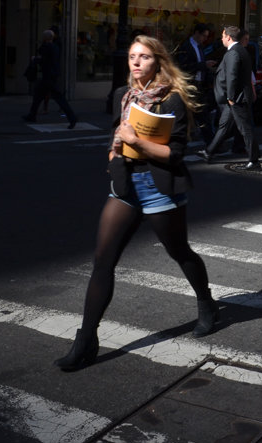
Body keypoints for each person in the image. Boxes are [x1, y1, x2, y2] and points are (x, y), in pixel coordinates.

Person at [55, 35, 219, 371]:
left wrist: (135, 141)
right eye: (132, 56)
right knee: (103, 261)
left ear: (157, 61)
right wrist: (114, 151)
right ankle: (86, 340)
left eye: (144, 57)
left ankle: (207, 303)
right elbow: (114, 134)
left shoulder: (170, 100)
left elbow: (174, 154)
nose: (136, 62)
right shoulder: (122, 95)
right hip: (125, 185)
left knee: (180, 252)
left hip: (158, 186)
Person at [199, 25, 260, 169]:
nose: (221, 39)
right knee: (224, 126)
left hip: (236, 98)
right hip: (236, 98)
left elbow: (232, 75)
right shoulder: (240, 50)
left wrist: (231, 97)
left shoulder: (233, 52)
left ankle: (255, 160)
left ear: (228, 37)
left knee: (245, 129)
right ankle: (209, 152)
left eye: (222, 36)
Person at [22, 29, 78, 128]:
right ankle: (32, 114)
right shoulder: (56, 47)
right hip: (52, 75)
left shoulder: (46, 47)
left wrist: (35, 59)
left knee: (57, 97)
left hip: (48, 76)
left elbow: (44, 60)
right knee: (38, 95)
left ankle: (72, 117)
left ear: (45, 38)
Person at [175, 22, 216, 145]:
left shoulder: (200, 47)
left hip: (199, 85)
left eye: (206, 36)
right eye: (203, 35)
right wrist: (204, 65)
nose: (205, 39)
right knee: (195, 115)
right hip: (189, 85)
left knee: (202, 115)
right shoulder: (186, 47)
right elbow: (183, 67)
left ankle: (211, 143)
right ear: (196, 33)